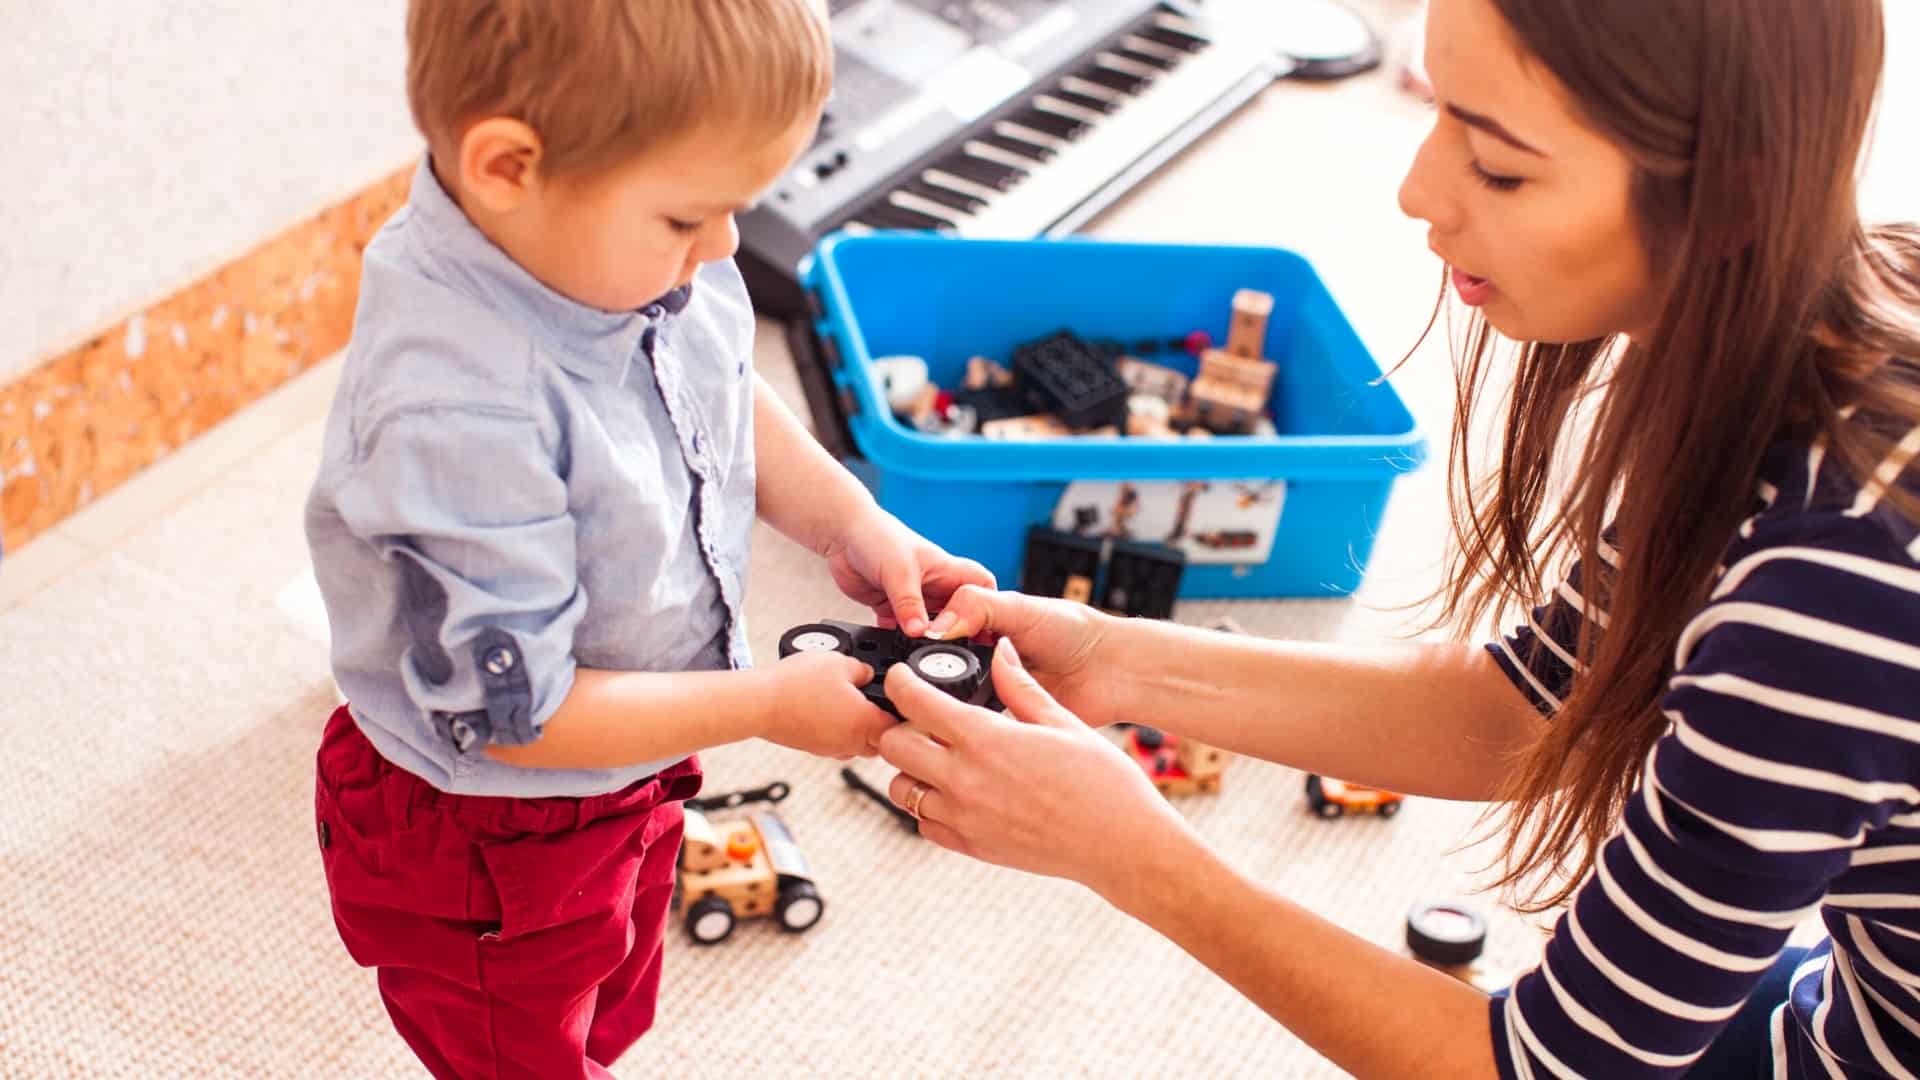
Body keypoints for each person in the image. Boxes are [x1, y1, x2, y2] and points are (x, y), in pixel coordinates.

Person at [873, 0, 1920, 1075]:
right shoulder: (1854, 302)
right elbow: (1522, 707)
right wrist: (1111, 659)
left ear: (1732, 192)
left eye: (1501, 167)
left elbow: (1545, 1069)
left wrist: (1132, 857)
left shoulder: (1827, 588)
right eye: (1438, 108)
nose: (1419, 191)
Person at [302, 2, 992, 1076]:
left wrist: (848, 517)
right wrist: (766, 703)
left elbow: (716, 386)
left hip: (634, 748)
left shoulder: (628, 246)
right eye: (689, 221)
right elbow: (517, 718)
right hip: (493, 827)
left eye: (735, 212)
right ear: (506, 167)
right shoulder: (460, 413)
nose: (723, 249)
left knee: (608, 989)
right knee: (518, 1046)